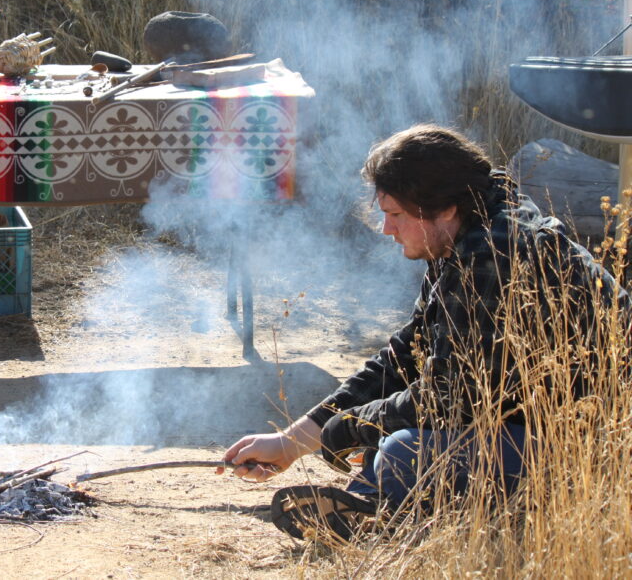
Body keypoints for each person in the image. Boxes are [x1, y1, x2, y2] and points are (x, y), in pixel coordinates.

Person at [221, 123, 630, 542]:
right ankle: (372, 508)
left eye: (395, 215)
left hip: (597, 446)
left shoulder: (493, 253)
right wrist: (292, 441)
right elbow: (405, 356)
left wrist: (347, 428)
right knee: (391, 444)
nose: (386, 229)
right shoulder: (468, 228)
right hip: (533, 424)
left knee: (402, 450)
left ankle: (378, 517)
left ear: (444, 208)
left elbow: (451, 397)